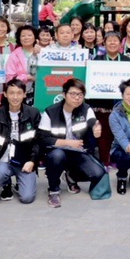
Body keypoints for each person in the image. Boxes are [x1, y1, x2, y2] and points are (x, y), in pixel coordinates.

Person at [38, 78, 109, 208]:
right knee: (57, 156)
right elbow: (43, 139)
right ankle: (53, 191)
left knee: (98, 173)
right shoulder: (50, 112)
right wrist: (67, 143)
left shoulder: (86, 109)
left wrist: (96, 128)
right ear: (64, 94)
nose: (77, 98)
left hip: (78, 152)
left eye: (80, 95)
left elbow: (92, 121)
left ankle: (71, 176)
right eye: (73, 94)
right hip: (57, 151)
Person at [0, 79, 41, 204]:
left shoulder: (33, 114)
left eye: (19, 93)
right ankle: (6, 185)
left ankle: (20, 184)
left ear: (24, 94)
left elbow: (38, 141)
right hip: (4, 161)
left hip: (25, 162)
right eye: (11, 93)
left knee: (27, 198)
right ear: (5, 94)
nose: (15, 97)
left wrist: (32, 161)